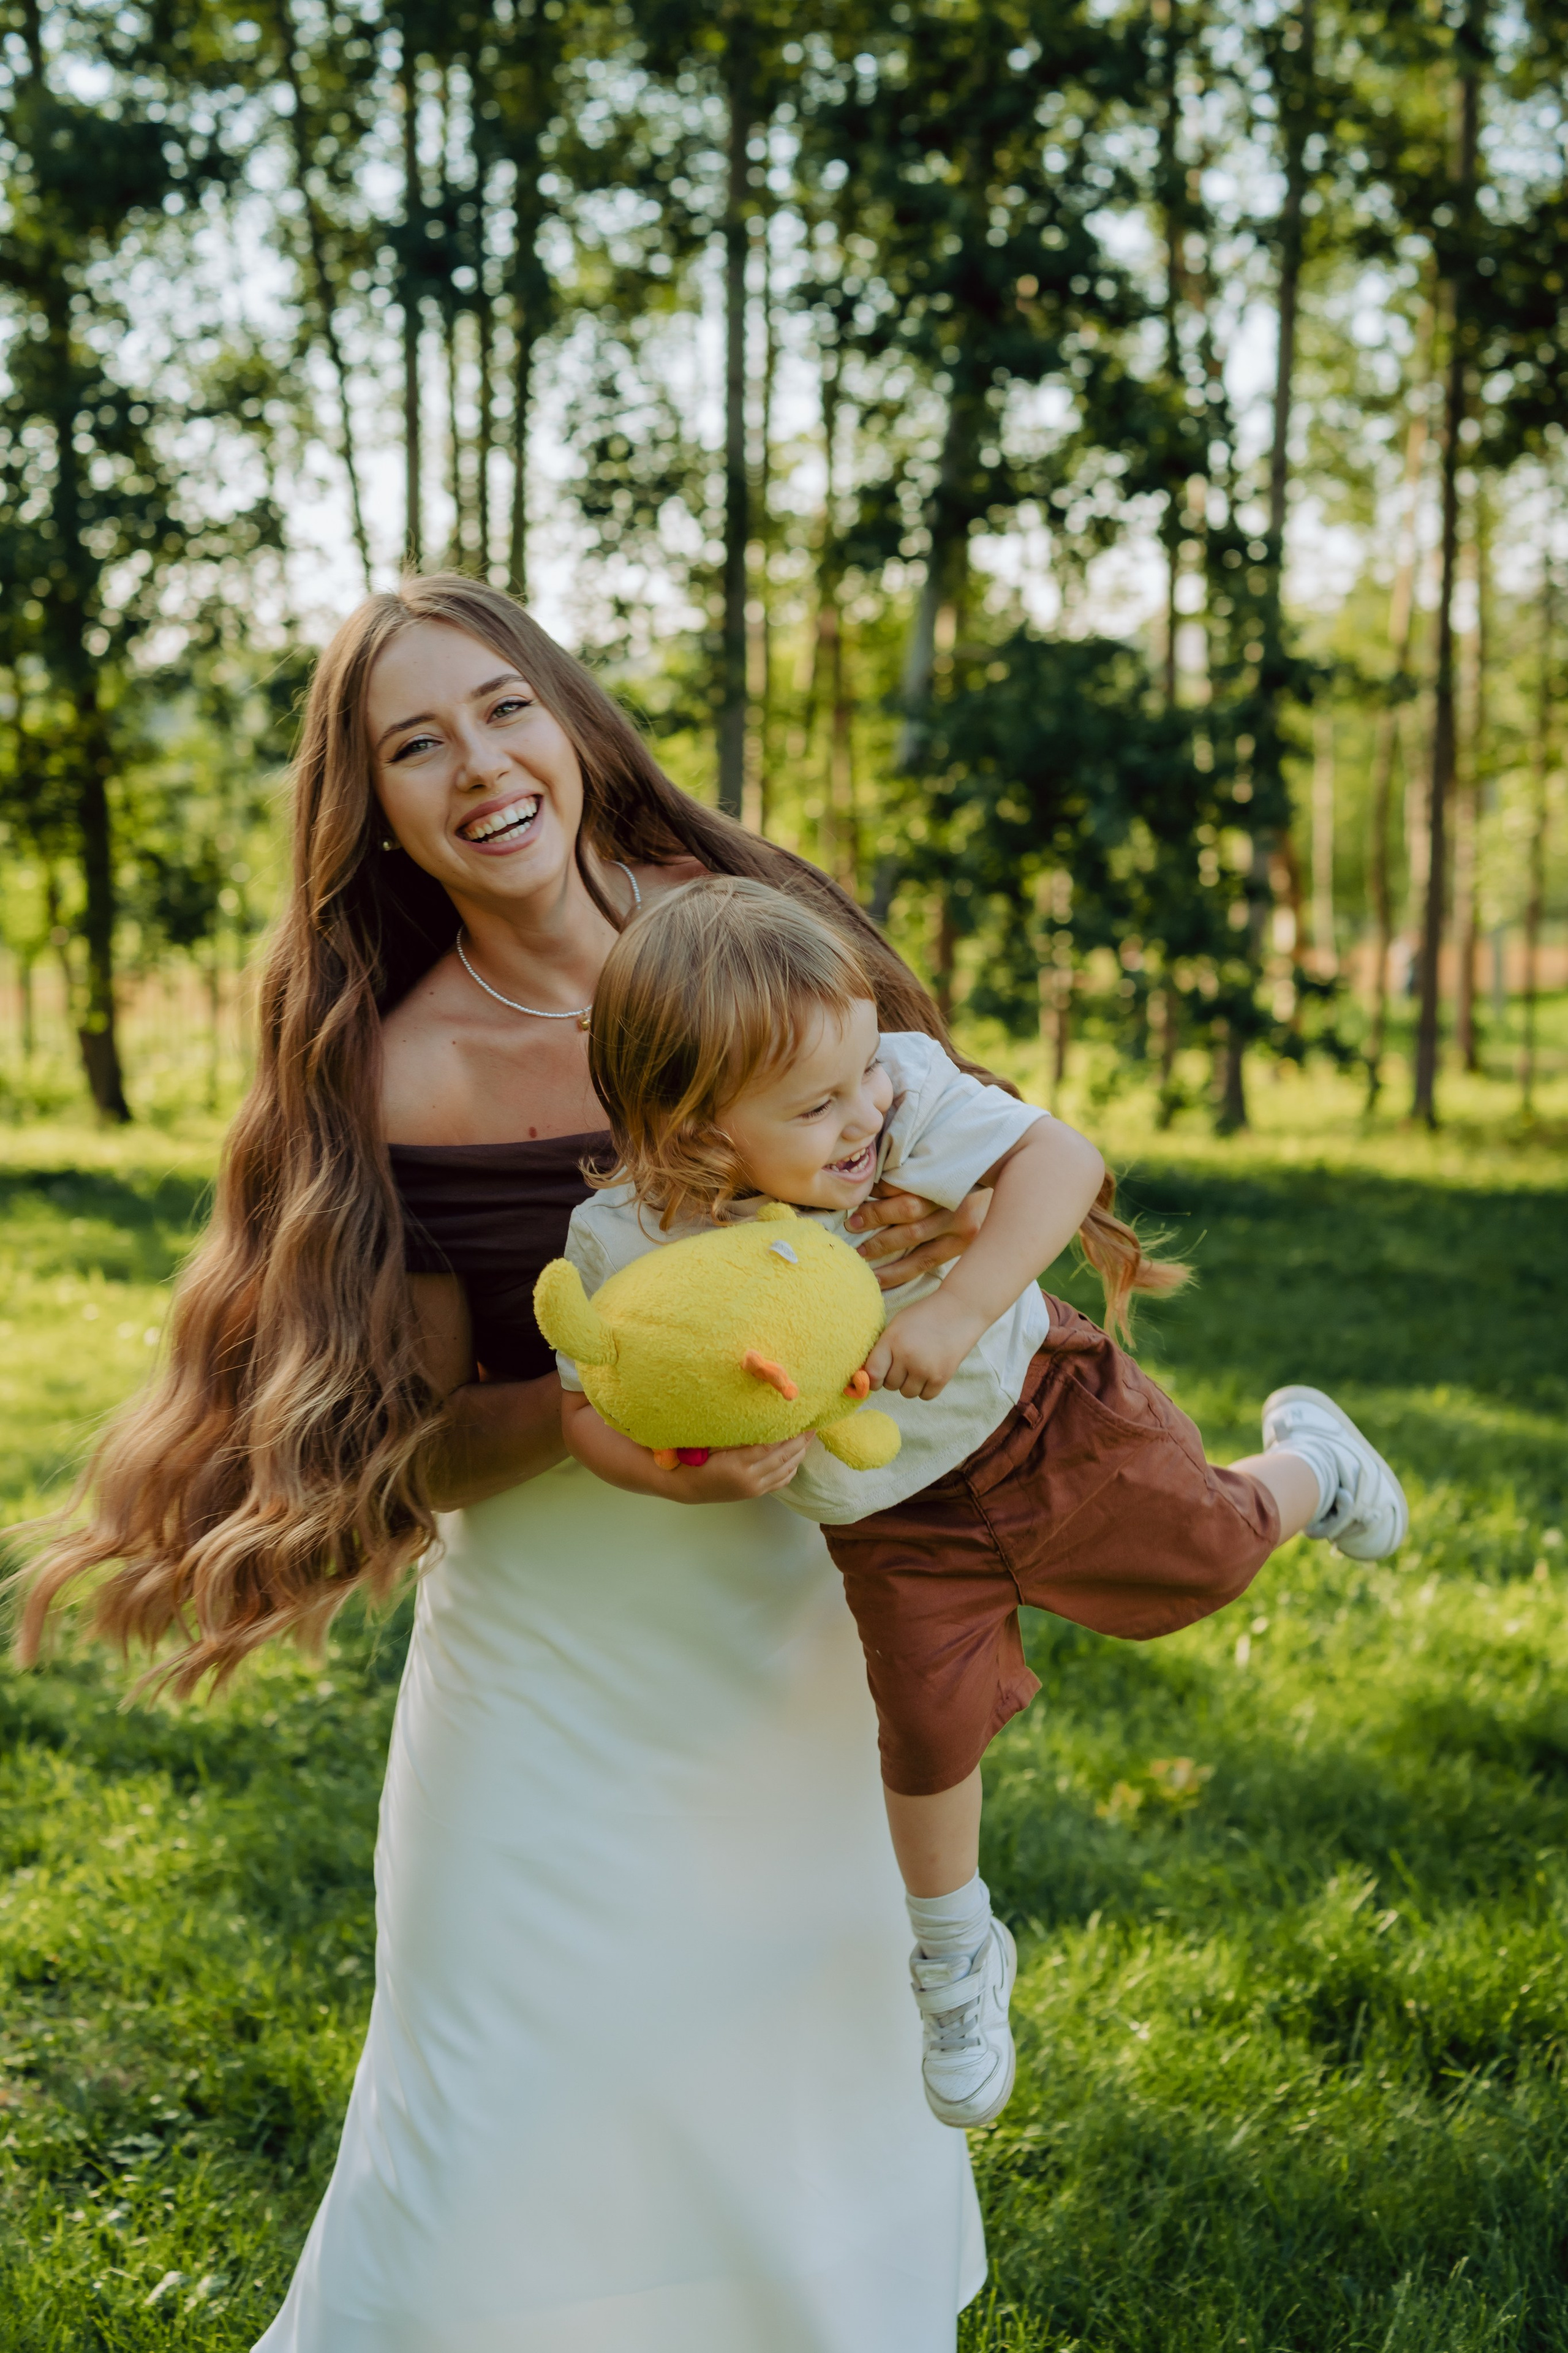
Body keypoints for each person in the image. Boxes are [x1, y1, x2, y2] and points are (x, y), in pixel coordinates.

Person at [16, 577, 1014, 2352]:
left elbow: (934, 1181)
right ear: (376, 808)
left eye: (500, 709)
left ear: (569, 722)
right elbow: (401, 1449)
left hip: (790, 1637)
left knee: (795, 2131)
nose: (477, 764)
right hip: (549, 1674)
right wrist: (575, 1421)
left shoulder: (754, 940)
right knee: (489, 2126)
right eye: (416, 743)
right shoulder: (395, 1068)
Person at [552, 876, 1411, 2134]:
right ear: (692, 1126)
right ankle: (954, 1954)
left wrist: (960, 1303)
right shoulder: (628, 1241)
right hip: (886, 1510)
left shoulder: (891, 1095)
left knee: (1206, 1557)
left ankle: (1312, 1468)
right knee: (925, 1718)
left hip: (1037, 1410)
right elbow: (589, 1408)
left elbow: (1060, 1158)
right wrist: (688, 1472)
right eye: (817, 1104)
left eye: (861, 1076)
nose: (863, 1115)